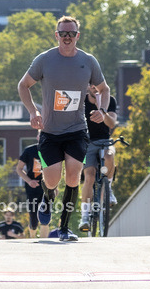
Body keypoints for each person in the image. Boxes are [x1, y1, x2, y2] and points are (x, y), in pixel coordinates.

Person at [18, 16, 110, 242]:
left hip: (77, 130)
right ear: (56, 35)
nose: (67, 37)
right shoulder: (44, 60)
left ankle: (65, 228)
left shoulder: (88, 61)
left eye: (71, 33)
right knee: (51, 180)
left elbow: (104, 89)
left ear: (78, 36)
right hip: (50, 132)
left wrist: (103, 111)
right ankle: (48, 197)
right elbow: (23, 85)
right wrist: (33, 111)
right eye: (63, 33)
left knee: (73, 175)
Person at [79, 84, 119, 232]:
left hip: (104, 141)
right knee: (89, 176)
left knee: (109, 156)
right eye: (91, 84)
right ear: (87, 86)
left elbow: (111, 124)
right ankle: (85, 216)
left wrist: (101, 109)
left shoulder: (110, 100)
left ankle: (108, 188)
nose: (94, 87)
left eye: (97, 84)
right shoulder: (81, 102)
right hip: (87, 143)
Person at [17, 138, 50, 238]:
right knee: (34, 217)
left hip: (47, 186)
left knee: (45, 215)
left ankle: (44, 241)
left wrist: (55, 185)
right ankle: (33, 235)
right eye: (41, 135)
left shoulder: (52, 149)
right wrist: (29, 181)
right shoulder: (29, 150)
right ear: (38, 137)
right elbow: (19, 169)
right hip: (32, 187)